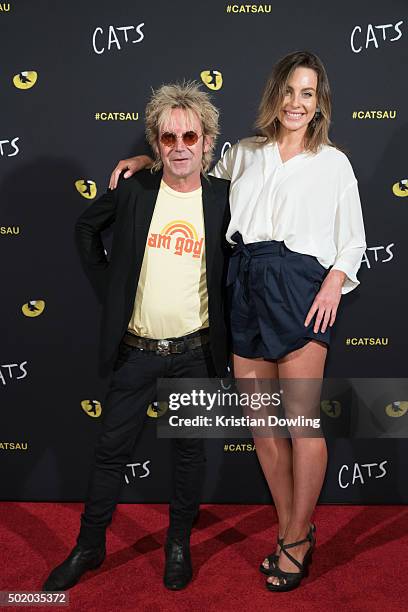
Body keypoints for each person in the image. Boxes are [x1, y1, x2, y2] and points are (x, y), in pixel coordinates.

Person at [109, 51, 366, 592]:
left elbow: (354, 239)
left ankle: (295, 540)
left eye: (308, 93)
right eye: (290, 91)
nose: (297, 103)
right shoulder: (243, 154)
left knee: (302, 424)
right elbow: (191, 176)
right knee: (262, 425)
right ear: (274, 95)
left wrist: (332, 283)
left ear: (319, 103)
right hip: (243, 284)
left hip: (301, 288)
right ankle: (292, 529)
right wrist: (144, 166)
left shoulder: (334, 163)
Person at [43, 82, 230, 592]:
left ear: (208, 141)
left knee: (190, 454)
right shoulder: (135, 190)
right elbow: (86, 229)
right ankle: (89, 546)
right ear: (156, 144)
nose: (180, 146)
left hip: (195, 353)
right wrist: (113, 291)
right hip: (136, 351)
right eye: (168, 139)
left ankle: (177, 543)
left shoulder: (225, 200)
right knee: (109, 452)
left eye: (190, 135)